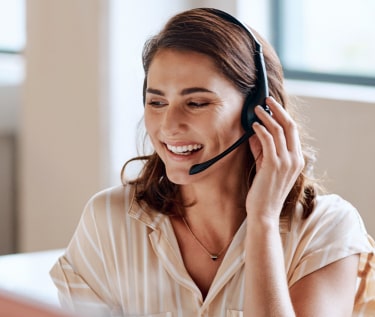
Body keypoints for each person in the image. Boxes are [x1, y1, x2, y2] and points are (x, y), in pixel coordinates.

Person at [50, 7, 375, 317]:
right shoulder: (108, 221)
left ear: (258, 112)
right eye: (157, 101)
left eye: (196, 102)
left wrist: (262, 220)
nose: (169, 125)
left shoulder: (326, 230)